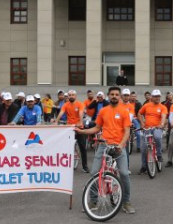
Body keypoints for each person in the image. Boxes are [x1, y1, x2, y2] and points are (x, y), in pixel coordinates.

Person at [76, 86, 135, 214]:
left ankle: (126, 201)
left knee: (124, 173)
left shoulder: (124, 111)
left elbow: (127, 132)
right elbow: (97, 128)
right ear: (108, 96)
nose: (114, 96)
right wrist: (82, 131)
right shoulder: (103, 111)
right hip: (104, 145)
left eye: (116, 94)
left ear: (119, 97)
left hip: (119, 146)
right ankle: (93, 201)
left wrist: (120, 144)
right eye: (112, 94)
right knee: (94, 173)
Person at [56, 90, 89, 173]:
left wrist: (80, 122)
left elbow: (81, 113)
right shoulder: (65, 105)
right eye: (69, 95)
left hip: (79, 127)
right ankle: (65, 164)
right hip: (69, 127)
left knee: (82, 147)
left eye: (73, 95)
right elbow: (61, 112)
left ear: (75, 96)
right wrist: (56, 121)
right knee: (66, 146)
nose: (71, 96)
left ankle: (85, 166)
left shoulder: (80, 104)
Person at [138, 89, 167, 174]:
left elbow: (163, 116)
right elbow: (139, 113)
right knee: (144, 148)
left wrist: (161, 124)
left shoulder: (163, 107)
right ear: (152, 97)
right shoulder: (146, 106)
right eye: (155, 96)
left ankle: (159, 154)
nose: (157, 98)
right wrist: (142, 123)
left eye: (158, 96)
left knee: (157, 137)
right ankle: (143, 166)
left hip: (157, 128)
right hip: (147, 128)